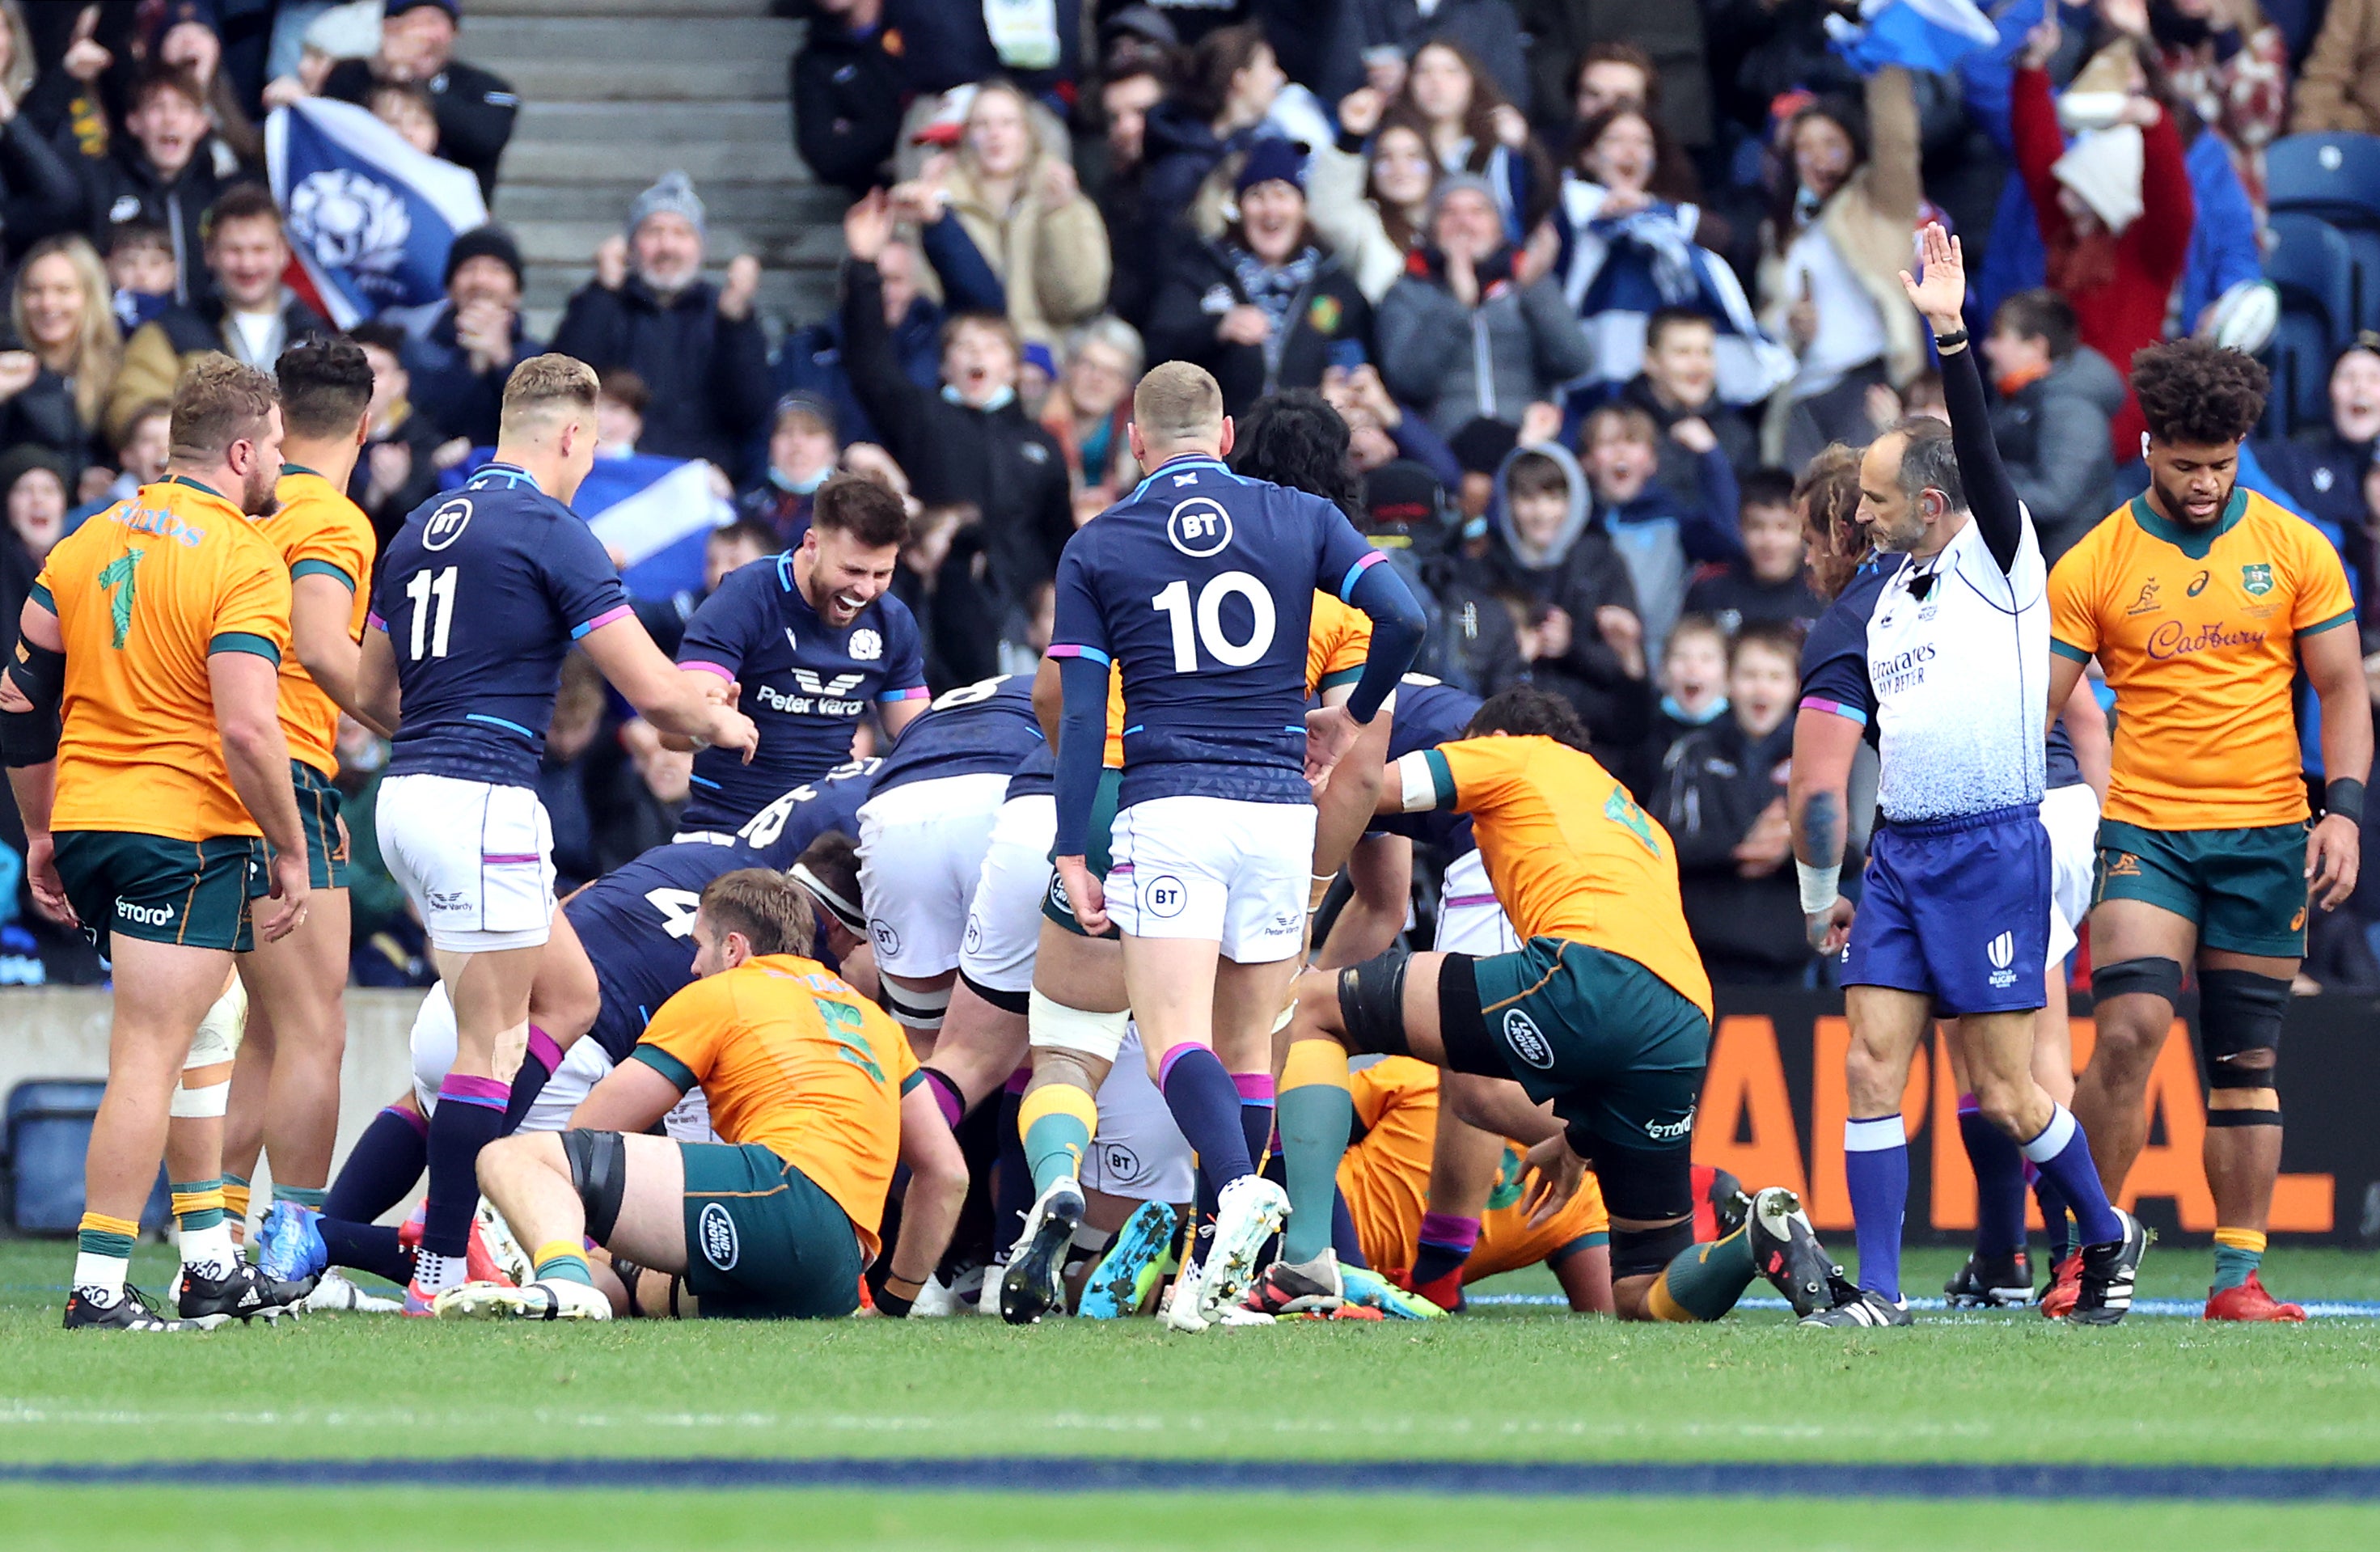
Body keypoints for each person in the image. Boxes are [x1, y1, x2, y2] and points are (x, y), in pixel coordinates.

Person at [1788, 223, 2144, 1329]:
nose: (1860, 513)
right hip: (1899, 853)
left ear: (1933, 506)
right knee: (1868, 1069)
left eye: (1879, 500)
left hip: (1994, 845)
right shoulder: (1885, 593)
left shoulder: (2001, 561)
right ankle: (1880, 1292)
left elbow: (1978, 452)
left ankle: (2099, 1227)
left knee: (2002, 1088)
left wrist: (1948, 335)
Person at [355, 353, 759, 1315]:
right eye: (590, 451)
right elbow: (656, 691)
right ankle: (442, 1266)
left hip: (407, 792)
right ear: (572, 435)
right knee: (488, 1048)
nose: (587, 469)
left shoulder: (417, 525)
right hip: (481, 795)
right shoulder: (551, 527)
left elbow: (369, 693)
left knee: (566, 995)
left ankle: (473, 1188)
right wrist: (727, 723)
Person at [1026, 361, 1425, 1331]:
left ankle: (1240, 1190)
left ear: (1133, 439)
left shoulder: (1099, 542)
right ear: (1228, 433)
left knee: (1172, 1039)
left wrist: (1073, 848)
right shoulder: (1299, 514)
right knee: (1251, 1043)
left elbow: (1083, 715)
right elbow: (1405, 618)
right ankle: (1223, 1280)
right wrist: (1351, 714)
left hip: (1172, 805)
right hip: (1280, 810)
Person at [1266, 685, 1857, 1325]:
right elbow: (1631, 999)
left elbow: (1361, 791)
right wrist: (1578, 1136)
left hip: (1588, 970)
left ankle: (1303, 1262)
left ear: (1491, 741)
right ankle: (1751, 1241)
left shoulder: (1512, 755)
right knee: (1640, 1290)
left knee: (1313, 1004)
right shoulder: (1630, 812)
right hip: (1684, 1019)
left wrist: (1295, 833)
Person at [2048, 336, 2372, 1322]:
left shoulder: (2296, 545)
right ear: (2148, 445)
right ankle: (2090, 1252)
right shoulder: (2097, 558)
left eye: (2222, 463)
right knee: (2132, 1026)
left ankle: (2237, 1277)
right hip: (2147, 827)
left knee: (2243, 1062)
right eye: (2186, 463)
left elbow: (2344, 686)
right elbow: (2037, 705)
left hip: (2268, 832)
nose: (2204, 482)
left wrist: (2345, 813)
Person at [1, 355, 313, 1330]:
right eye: (272, 444)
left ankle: (209, 1261)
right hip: (179, 830)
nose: (280, 460)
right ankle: (98, 1283)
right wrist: (292, 847)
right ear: (238, 448)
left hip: (93, 817)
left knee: (206, 1023)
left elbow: (17, 701)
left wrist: (41, 828)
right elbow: (251, 728)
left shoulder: (90, 538)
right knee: (148, 1049)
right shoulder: (245, 557)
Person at [446, 869, 967, 1321]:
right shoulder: (872, 1019)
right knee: (635, 1284)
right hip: (838, 1265)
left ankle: (559, 1281)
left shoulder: (722, 992)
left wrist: (559, 1222)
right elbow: (947, 1174)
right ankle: (582, 1286)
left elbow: (590, 1130)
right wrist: (897, 1301)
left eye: (699, 945)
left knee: (515, 1157)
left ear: (734, 948)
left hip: (780, 1192)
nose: (694, 965)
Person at [217, 337, 384, 1290]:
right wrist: (414, 720)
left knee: (266, 1031)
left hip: (212, 775)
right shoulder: (331, 517)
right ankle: (294, 1249)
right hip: (284, 776)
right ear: (366, 424)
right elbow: (323, 645)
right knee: (316, 1025)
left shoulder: (239, 509)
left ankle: (219, 1239)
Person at [838, 190, 1073, 638]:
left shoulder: (1041, 442)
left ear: (1013, 364)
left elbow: (1060, 536)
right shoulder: (922, 415)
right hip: (937, 611)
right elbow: (870, 363)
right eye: (963, 347)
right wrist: (864, 266)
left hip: (1026, 621)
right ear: (944, 365)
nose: (976, 355)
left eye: (989, 346)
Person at [671, 472, 925, 835]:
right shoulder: (745, 598)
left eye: (882, 573)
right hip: (729, 824)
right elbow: (673, 728)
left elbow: (918, 741)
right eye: (852, 570)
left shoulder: (893, 620)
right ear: (811, 545)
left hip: (828, 832)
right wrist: (709, 725)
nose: (865, 590)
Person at [2010, 19, 2192, 459]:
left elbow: (2175, 205)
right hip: (2058, 423)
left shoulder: (2145, 254)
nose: (2061, 189)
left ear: (2104, 197)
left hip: (2123, 434)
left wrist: (2154, 122)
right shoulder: (2068, 232)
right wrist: (2033, 71)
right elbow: (2039, 158)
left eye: (2079, 184)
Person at [854, 673, 1045, 1047]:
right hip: (1000, 800)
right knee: (1028, 1040)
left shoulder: (979, 695)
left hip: (895, 815)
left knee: (926, 1045)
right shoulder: (1089, 678)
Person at [1755, 74, 1928, 472]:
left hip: (1864, 382)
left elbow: (1897, 140)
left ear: (1853, 147)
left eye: (1831, 144)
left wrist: (1887, 66)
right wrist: (1790, 323)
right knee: (1807, 515)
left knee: (1865, 504)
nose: (1817, 157)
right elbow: (1766, 320)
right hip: (1799, 394)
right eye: (1804, 147)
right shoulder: (1781, 230)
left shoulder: (1881, 204)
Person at [550, 172, 773, 477]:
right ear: (630, 246)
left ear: (700, 248)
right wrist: (603, 291)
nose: (666, 246)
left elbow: (750, 410)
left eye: (681, 233)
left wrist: (735, 321)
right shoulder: (602, 304)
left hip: (695, 481)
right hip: (610, 476)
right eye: (653, 232)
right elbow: (562, 385)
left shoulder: (722, 314)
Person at [1143, 138, 1373, 418]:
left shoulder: (1333, 282)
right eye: (1256, 196)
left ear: (1303, 207)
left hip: (1309, 445)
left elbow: (1355, 359)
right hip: (1220, 443)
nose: (1270, 210)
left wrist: (1341, 390)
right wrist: (1217, 328)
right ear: (1239, 209)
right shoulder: (1202, 269)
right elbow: (1159, 345)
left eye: (1282, 195)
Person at [106, 185, 330, 448]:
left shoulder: (317, 336)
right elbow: (128, 407)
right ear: (209, 254)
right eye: (234, 250)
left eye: (260, 250)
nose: (247, 264)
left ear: (284, 253)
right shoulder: (170, 331)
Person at [1376, 175, 1590, 440]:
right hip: (1444, 453)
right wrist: (1457, 304)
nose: (1464, 223)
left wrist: (1534, 289)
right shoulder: (1407, 292)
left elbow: (1576, 362)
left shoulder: (1528, 284)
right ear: (1431, 230)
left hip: (1526, 446)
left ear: (1499, 227)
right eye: (1449, 212)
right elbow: (1408, 381)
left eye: (1478, 212)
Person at [1655, 623, 1807, 985]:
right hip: (1704, 958)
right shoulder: (1692, 753)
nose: (1761, 687)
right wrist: (1742, 846)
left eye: (1775, 676)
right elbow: (1660, 846)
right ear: (1727, 682)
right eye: (1749, 675)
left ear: (1796, 687)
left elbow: (1848, 855)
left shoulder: (1814, 758)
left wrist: (1789, 846)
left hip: (1792, 963)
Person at [1485, 441, 1648, 762]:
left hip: (1594, 739)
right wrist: (1514, 651)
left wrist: (1571, 648)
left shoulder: (1602, 562)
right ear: (1509, 504)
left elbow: (1627, 673)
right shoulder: (1489, 565)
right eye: (1528, 499)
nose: (1542, 512)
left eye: (1553, 498)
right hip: (1509, 734)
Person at [928, 79, 1112, 349]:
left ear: (1028, 133)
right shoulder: (943, 202)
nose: (995, 134)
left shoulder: (1067, 202)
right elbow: (926, 295)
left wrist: (1058, 218)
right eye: (983, 124)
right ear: (967, 135)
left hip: (1048, 351)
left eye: (1008, 123)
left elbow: (1079, 300)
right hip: (967, 352)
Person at [318, 0, 518, 200]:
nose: (425, 37)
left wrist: (410, 79)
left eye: (434, 23)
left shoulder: (486, 88)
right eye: (415, 24)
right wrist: (384, 72)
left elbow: (485, 138)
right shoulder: (352, 75)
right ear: (389, 29)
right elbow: (332, 126)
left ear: (454, 33)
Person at [1982, 288, 2123, 565]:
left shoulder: (2072, 407)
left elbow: (2055, 498)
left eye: (1999, 336)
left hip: (2060, 571)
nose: (1988, 347)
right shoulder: (2021, 395)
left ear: (2036, 347)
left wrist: (1976, 491)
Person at [76, 63, 231, 307]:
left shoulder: (221, 193)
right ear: (134, 122)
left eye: (183, 108)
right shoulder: (103, 184)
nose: (170, 119)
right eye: (157, 108)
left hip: (205, 335)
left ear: (201, 123)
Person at [395, 225, 541, 450]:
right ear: (450, 289)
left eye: (496, 269)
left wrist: (501, 359)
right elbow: (422, 421)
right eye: (468, 268)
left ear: (516, 292)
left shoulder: (540, 357)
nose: (480, 280)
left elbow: (539, 423)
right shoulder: (416, 352)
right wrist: (472, 366)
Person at [0, 234, 120, 487]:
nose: (47, 304)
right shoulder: (6, 364)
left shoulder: (120, 366)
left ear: (90, 296)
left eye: (63, 290)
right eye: (35, 291)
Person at [1681, 467, 1824, 638]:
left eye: (1783, 527)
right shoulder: (1709, 590)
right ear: (1740, 528)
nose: (1769, 540)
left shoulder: (1824, 592)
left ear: (1804, 531)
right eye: (1756, 526)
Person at [789, 0, 903, 198]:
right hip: (875, 203)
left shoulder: (917, 30)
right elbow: (825, 156)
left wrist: (857, 130)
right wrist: (900, 126)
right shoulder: (815, 59)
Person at [1038, 316, 1142, 514]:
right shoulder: (1036, 420)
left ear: (1126, 386)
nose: (1097, 379)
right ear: (1069, 367)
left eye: (1113, 372)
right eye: (1089, 365)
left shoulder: (1139, 433)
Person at [738, 393, 839, 548]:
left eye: (811, 432)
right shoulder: (744, 509)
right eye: (785, 432)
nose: (797, 443)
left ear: (833, 448)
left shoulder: (848, 513)